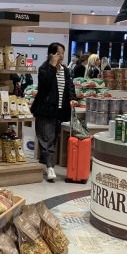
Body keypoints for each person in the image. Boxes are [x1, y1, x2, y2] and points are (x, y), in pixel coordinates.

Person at [31, 42, 76, 182]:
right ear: (51, 54)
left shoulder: (65, 70)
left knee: (52, 138)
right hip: (45, 110)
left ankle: (45, 164)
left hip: (59, 110)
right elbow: (45, 86)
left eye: (63, 53)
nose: (61, 56)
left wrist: (72, 98)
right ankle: (50, 167)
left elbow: (70, 86)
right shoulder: (44, 69)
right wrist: (52, 66)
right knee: (47, 138)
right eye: (58, 53)